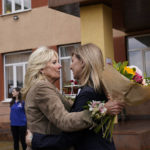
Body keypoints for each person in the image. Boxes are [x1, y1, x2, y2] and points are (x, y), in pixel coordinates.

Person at [26, 44, 125, 150]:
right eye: (54, 62)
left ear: (83, 62)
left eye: (72, 61)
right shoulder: (42, 87)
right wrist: (102, 109)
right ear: (41, 69)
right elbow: (64, 120)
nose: (61, 66)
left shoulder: (89, 91)